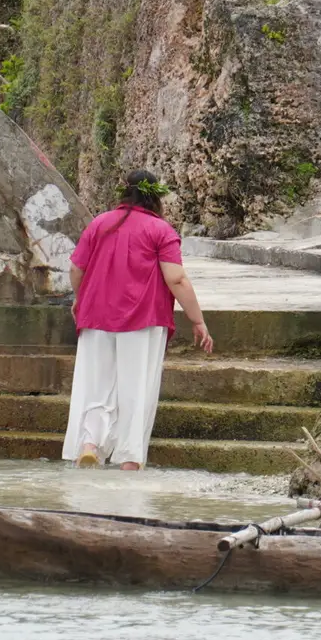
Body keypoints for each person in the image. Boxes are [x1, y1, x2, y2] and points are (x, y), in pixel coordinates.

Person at [64, 169, 213, 471]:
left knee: (97, 385)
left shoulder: (99, 223)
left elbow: (76, 270)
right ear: (155, 197)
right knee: (136, 387)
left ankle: (90, 444)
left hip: (96, 316)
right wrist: (197, 320)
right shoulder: (160, 230)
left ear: (123, 193)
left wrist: (81, 299)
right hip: (143, 317)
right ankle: (129, 458)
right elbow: (177, 279)